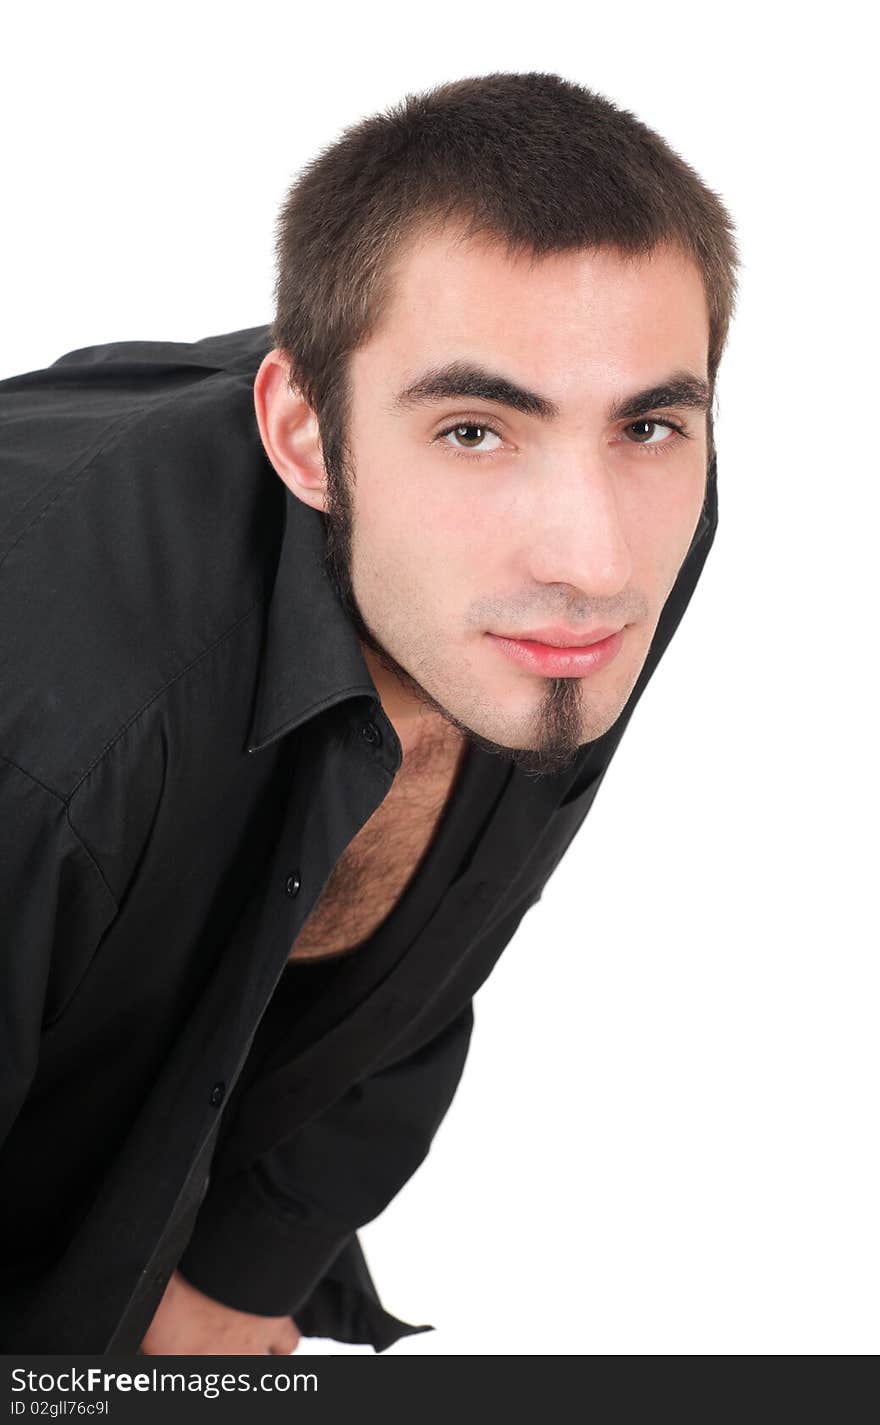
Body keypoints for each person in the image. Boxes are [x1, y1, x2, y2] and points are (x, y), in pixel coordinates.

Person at [0, 71, 739, 1354]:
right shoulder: (50, 726)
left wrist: (242, 1273)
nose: (595, 556)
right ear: (303, 434)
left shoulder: (597, 552)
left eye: (650, 422)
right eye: (474, 431)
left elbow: (450, 918)